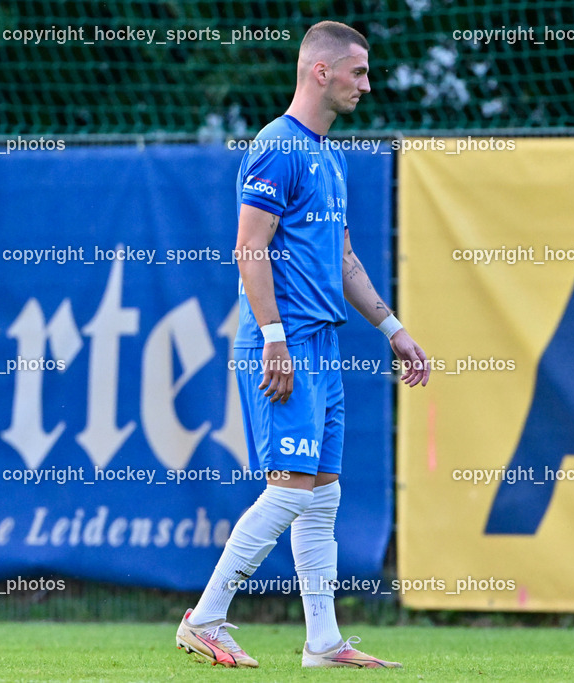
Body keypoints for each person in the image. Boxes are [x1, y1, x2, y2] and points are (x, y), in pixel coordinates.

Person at [176, 20, 429, 669]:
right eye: (359, 72)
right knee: (289, 490)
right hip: (281, 344)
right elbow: (248, 248)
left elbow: (342, 259)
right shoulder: (276, 147)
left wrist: (392, 328)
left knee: (322, 495)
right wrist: (273, 340)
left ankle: (322, 640)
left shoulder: (331, 158)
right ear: (322, 72)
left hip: (321, 345)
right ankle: (206, 615)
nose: (366, 86)